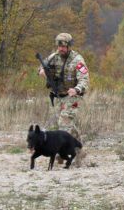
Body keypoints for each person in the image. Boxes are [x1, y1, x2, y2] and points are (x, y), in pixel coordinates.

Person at [38, 33, 90, 166]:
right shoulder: (53, 57)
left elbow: (84, 79)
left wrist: (77, 89)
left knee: (64, 123)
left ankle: (61, 154)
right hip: (58, 96)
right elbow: (42, 66)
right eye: (59, 46)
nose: (61, 49)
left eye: (64, 46)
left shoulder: (77, 60)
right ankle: (79, 149)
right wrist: (41, 71)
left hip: (73, 96)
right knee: (68, 125)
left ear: (69, 46)